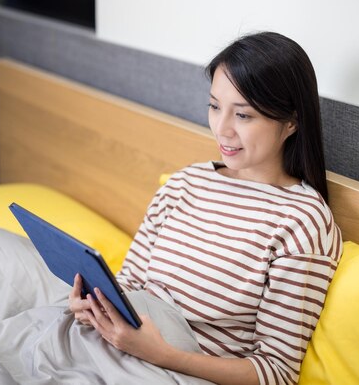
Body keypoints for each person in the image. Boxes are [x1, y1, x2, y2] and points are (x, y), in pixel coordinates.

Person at [69, 31, 343, 385]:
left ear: (291, 121)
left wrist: (163, 355)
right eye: (215, 107)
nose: (222, 129)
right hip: (112, 347)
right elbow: (130, 284)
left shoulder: (301, 221)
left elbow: (276, 371)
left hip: (167, 370)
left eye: (243, 116)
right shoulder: (185, 183)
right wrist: (92, 306)